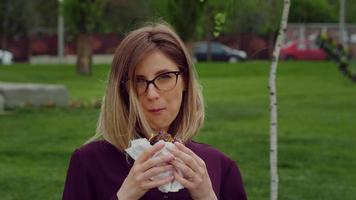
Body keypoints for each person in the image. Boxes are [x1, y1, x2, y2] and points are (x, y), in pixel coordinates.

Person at [62, 22, 247, 200]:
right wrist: (124, 196)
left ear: (185, 81)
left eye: (165, 77)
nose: (151, 94)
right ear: (122, 90)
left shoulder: (218, 166)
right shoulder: (89, 162)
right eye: (139, 81)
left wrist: (206, 197)